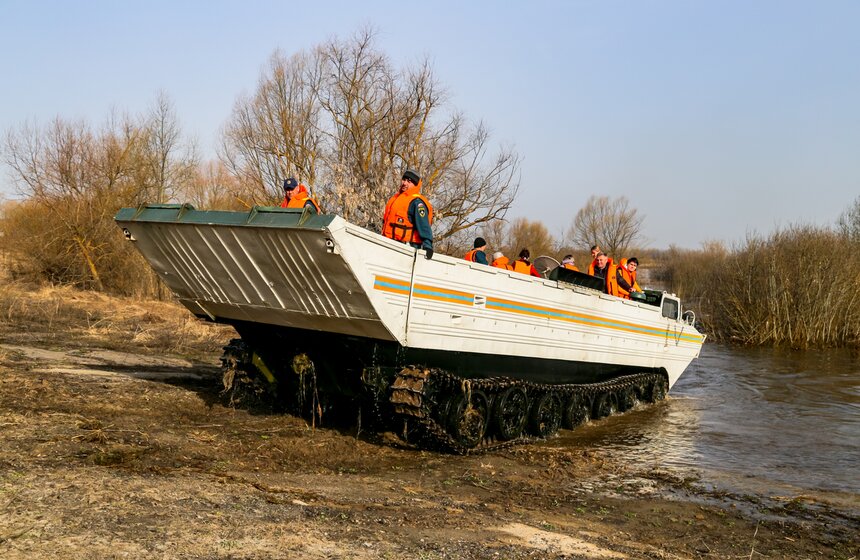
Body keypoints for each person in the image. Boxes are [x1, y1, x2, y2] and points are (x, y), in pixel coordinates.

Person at [382, 169, 433, 259]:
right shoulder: (395, 198)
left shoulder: (417, 203)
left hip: (407, 249)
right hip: (389, 244)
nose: (405, 183)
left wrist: (428, 246)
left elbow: (424, 226)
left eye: (409, 181)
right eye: (404, 180)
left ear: (415, 185)